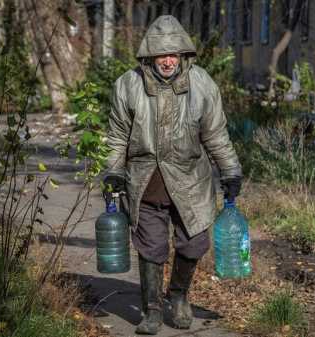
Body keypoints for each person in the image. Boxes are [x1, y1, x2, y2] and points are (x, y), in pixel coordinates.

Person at [102, 15, 242, 335]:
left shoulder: (203, 84)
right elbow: (117, 137)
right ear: (149, 55)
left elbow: (217, 135)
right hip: (145, 183)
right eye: (161, 55)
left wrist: (231, 170)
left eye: (173, 54)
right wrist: (113, 173)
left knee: (193, 244)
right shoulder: (128, 85)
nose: (167, 61)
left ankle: (178, 296)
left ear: (183, 55)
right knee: (150, 248)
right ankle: (151, 309)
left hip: (191, 183)